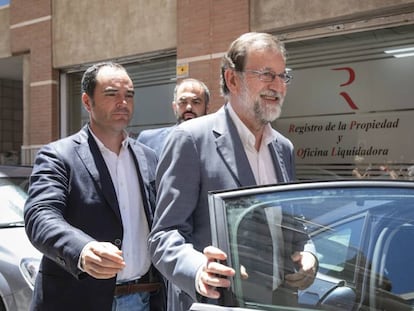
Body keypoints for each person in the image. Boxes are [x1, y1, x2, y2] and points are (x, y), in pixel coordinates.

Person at [148, 32, 318, 311]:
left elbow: (293, 226)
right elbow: (164, 236)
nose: (277, 85)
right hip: (218, 303)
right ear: (232, 79)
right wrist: (198, 269)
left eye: (282, 76)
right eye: (266, 74)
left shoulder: (283, 147)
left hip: (280, 301)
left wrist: (309, 254)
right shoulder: (191, 139)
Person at [24, 62, 165, 311]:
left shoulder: (149, 157)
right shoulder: (59, 156)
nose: (123, 102)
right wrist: (82, 250)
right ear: (87, 102)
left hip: (145, 299)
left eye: (129, 95)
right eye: (112, 94)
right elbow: (40, 216)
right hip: (78, 300)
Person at [137, 78, 210, 156]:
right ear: (174, 107)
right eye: (183, 102)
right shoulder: (148, 141)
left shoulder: (217, 143)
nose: (188, 107)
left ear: (207, 108)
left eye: (196, 102)